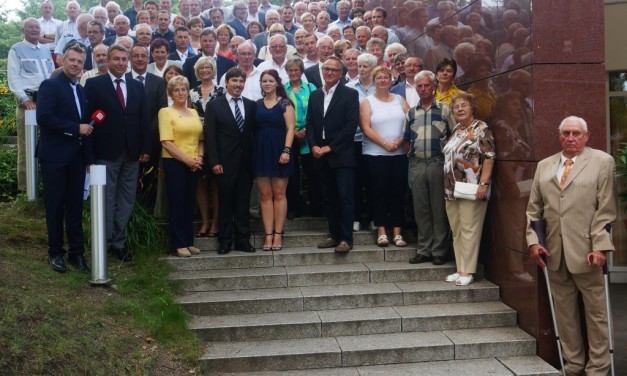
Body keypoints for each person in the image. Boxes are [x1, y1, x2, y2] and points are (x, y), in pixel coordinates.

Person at [526, 116, 616, 376]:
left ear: (587, 136)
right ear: (559, 136)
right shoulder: (544, 165)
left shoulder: (601, 161)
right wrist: (534, 243)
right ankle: (573, 365)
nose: (571, 138)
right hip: (553, 253)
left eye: (577, 133)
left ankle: (598, 368)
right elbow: (534, 209)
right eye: (566, 133)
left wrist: (600, 247)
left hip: (588, 253)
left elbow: (606, 209)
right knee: (565, 316)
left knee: (596, 316)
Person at [84, 44, 151, 262]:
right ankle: (103, 242)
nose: (121, 63)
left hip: (131, 154)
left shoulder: (136, 86)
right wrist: (89, 157)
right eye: (117, 59)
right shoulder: (94, 85)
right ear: (108, 61)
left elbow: (143, 120)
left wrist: (145, 148)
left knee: (126, 200)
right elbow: (88, 121)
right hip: (105, 154)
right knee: (106, 199)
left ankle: (119, 243)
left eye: (124, 59)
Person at [36, 42, 92, 273]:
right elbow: (44, 118)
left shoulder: (80, 89)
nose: (76, 65)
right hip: (54, 157)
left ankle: (77, 254)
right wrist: (74, 128)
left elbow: (86, 126)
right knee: (55, 206)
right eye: (72, 60)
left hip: (76, 158)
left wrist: (88, 157)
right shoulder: (50, 85)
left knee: (75, 207)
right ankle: (55, 253)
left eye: (80, 62)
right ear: (62, 60)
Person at [306, 56, 359, 253]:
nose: (328, 72)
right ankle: (333, 234)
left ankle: (346, 238)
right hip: (319, 154)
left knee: (345, 197)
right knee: (328, 197)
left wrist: (330, 147)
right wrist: (313, 146)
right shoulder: (315, 95)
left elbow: (350, 126)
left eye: (333, 70)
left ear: (341, 74)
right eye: (326, 69)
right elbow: (310, 123)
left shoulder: (350, 94)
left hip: (341, 154)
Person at [443, 92, 495, 286]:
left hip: (471, 187)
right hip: (451, 188)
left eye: (464, 105)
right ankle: (460, 268)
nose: (460, 109)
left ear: (473, 107)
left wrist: (483, 184)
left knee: (469, 229)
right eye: (456, 107)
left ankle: (468, 270)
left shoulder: (481, 128)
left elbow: (489, 156)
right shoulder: (457, 129)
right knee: (457, 230)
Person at [403, 70, 455, 265]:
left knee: (438, 208)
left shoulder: (445, 109)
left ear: (433, 87)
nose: (423, 89)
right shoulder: (410, 112)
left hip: (437, 163)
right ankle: (424, 249)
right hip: (417, 164)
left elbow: (453, 135)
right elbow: (406, 140)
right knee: (421, 208)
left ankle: (439, 251)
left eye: (426, 85)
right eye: (419, 86)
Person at [205, 67, 257, 255]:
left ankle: (243, 240)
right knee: (225, 203)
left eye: (241, 81)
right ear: (226, 83)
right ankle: (225, 240)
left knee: (243, 203)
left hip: (245, 163)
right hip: (223, 163)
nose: (238, 84)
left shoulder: (251, 105)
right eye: (234, 81)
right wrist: (214, 161)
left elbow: (252, 134)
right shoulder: (214, 105)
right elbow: (210, 135)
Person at [360, 66, 410, 247]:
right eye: (379, 78)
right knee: (379, 192)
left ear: (391, 81)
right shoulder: (367, 101)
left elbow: (410, 121)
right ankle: (381, 231)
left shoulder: (400, 99)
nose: (382, 80)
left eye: (386, 77)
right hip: (375, 154)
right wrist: (385, 144)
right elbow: (366, 128)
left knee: (398, 192)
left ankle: (397, 232)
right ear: (374, 81)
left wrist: (398, 142)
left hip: (399, 154)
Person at [158, 76, 204, 257]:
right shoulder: (165, 112)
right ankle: (178, 243)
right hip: (174, 162)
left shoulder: (192, 112)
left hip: (194, 162)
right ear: (171, 93)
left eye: (183, 89)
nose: (181, 93)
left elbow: (201, 138)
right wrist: (187, 160)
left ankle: (188, 241)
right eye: (176, 90)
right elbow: (166, 142)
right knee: (177, 202)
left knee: (188, 202)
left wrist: (199, 158)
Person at [8, 18, 54, 192]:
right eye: (31, 27)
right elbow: (13, 78)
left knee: (47, 144)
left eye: (37, 27)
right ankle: (25, 190)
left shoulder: (44, 50)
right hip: (28, 103)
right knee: (27, 146)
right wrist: (25, 100)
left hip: (45, 102)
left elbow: (50, 75)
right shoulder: (16, 49)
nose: (35, 30)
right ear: (23, 30)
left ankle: (43, 186)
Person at [254, 69, 296, 251]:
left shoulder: (285, 103)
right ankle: (268, 235)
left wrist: (286, 150)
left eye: (271, 80)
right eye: (264, 81)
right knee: (265, 195)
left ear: (278, 83)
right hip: (261, 151)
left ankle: (278, 235)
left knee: (279, 194)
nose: (267, 83)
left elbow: (291, 128)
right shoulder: (256, 104)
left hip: (280, 150)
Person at [127, 45, 169, 207]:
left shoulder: (158, 82)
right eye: (135, 56)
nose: (139, 59)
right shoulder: (123, 80)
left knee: (148, 181)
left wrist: (146, 136)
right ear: (130, 58)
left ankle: (147, 216)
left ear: (148, 59)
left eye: (143, 56)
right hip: (127, 141)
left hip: (151, 140)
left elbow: (161, 111)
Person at [189, 57, 225, 238]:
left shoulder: (221, 90)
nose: (205, 70)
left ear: (213, 70)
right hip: (195, 140)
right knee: (200, 182)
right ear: (197, 71)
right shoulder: (192, 92)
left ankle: (216, 221)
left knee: (216, 182)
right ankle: (204, 221)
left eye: (208, 67)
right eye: (201, 68)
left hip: (216, 139)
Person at [285, 58, 321, 219]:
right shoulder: (282, 89)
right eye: (290, 70)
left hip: (309, 134)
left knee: (312, 171)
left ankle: (315, 206)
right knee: (291, 173)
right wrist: (293, 131)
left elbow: (315, 110)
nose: (293, 73)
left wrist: (305, 129)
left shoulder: (311, 88)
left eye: (296, 70)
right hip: (289, 134)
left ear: (301, 71)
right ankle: (294, 207)